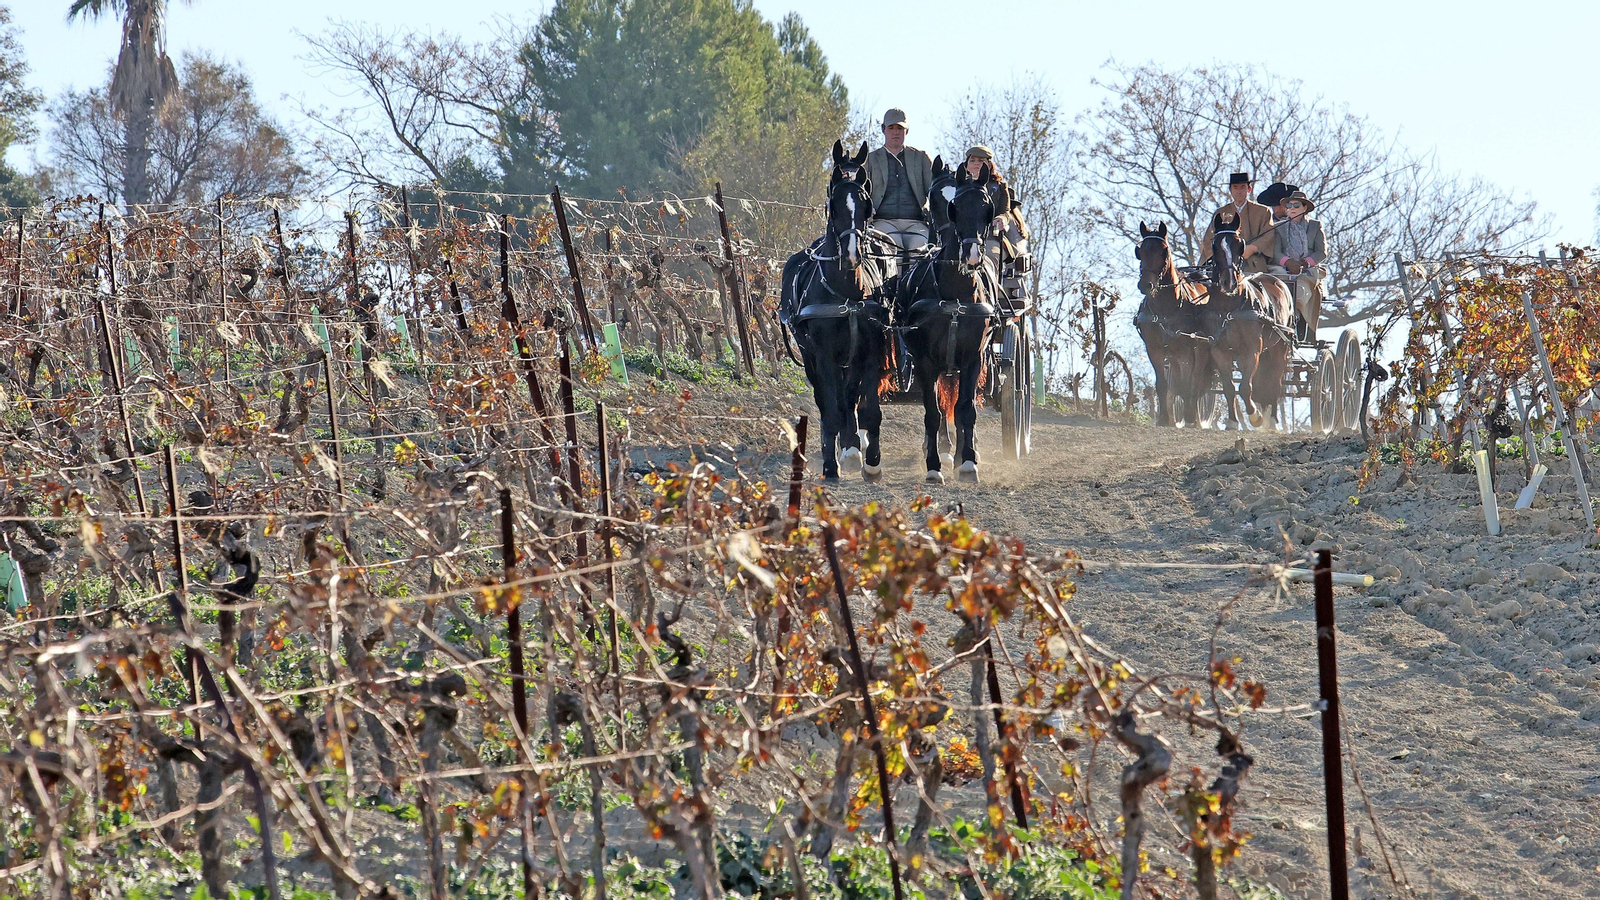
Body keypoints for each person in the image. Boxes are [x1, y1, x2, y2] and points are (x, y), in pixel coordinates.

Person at [961, 145, 1030, 300]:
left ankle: (990, 297)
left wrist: (1001, 219)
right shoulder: (958, 186)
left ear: (989, 164)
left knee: (990, 256)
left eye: (981, 160)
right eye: (973, 160)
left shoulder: (998, 187)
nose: (977, 164)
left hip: (990, 238)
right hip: (963, 237)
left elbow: (1005, 210)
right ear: (966, 164)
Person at [864, 108, 934, 255]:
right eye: (891, 128)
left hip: (916, 223)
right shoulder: (871, 159)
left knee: (919, 251)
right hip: (882, 222)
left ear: (906, 131)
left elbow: (934, 190)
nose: (895, 132)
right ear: (883, 129)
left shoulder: (921, 158)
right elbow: (862, 192)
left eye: (900, 128)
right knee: (894, 251)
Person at [1267, 190, 1329, 340]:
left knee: (1300, 289)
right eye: (1289, 205)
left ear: (1304, 208)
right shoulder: (1278, 226)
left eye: (1296, 205)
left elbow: (1322, 252)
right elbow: (1275, 252)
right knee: (1274, 283)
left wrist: (1305, 263)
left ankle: (1299, 322)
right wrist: (1288, 262)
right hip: (1282, 268)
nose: (1292, 208)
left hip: (1307, 269)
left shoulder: (1315, 226)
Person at [1201, 172, 1274, 276]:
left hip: (1253, 264)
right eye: (1235, 188)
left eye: (1242, 187)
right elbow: (1208, 240)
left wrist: (1253, 248)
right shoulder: (1220, 213)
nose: (1239, 191)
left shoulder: (1262, 211)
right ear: (1230, 190)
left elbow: (1269, 235)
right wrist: (1222, 255)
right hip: (1224, 265)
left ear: (1249, 189)